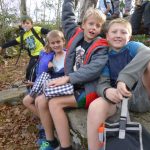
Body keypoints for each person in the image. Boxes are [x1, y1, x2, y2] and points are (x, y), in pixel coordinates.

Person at [34, 0, 109, 149]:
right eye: (91, 24)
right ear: (83, 24)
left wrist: (67, 78)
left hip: (88, 90)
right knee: (41, 100)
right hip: (72, 86)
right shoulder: (75, 35)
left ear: (101, 29)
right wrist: (68, 2)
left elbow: (92, 70)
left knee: (54, 103)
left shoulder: (102, 47)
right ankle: (50, 140)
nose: (94, 28)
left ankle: (65, 146)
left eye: (98, 25)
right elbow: (67, 17)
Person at [87, 18, 150, 150]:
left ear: (129, 37)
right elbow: (102, 84)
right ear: (107, 36)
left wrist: (124, 79)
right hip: (119, 100)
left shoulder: (132, 47)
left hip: (142, 95)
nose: (118, 35)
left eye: (123, 32)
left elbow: (147, 52)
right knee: (95, 106)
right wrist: (106, 91)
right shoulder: (105, 56)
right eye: (114, 32)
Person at [23, 30, 66, 117]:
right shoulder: (50, 56)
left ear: (63, 41)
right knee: (26, 101)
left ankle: (47, 122)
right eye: (53, 43)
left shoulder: (68, 56)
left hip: (59, 87)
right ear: (49, 44)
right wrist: (34, 83)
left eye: (58, 42)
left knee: (39, 100)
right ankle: (46, 120)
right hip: (48, 84)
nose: (56, 45)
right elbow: (45, 75)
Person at [0, 15, 50, 85]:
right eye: (23, 23)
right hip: (33, 55)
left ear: (31, 24)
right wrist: (2, 46)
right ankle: (30, 81)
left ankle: (31, 82)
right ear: (21, 25)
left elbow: (48, 32)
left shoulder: (36, 29)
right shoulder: (23, 35)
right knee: (30, 69)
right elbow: (13, 42)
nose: (25, 25)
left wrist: (50, 43)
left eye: (27, 23)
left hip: (41, 53)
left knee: (32, 69)